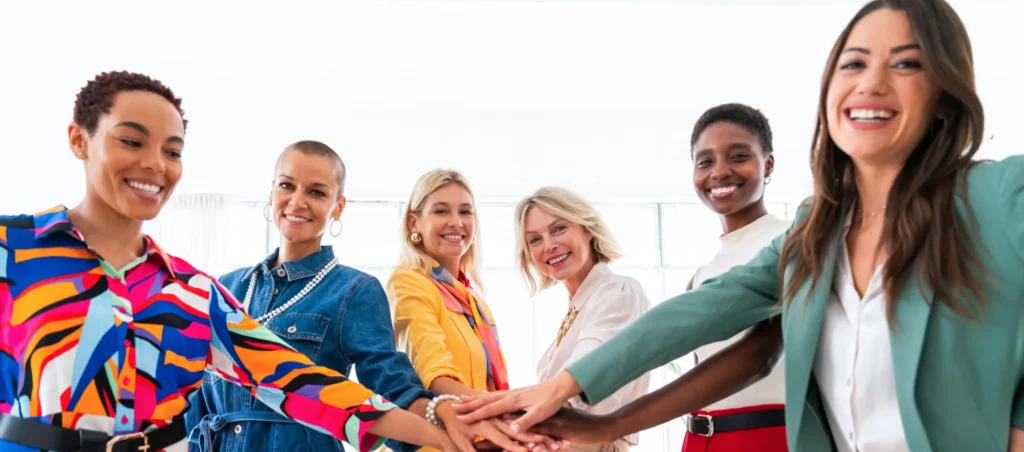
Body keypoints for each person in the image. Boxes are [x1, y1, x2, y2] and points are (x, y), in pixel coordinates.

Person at [454, 1, 1024, 450]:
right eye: (854, 63)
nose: (871, 82)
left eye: (905, 62)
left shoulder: (1001, 194)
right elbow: (706, 319)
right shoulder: (814, 232)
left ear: (946, 95)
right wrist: (573, 397)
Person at [0, 71, 460, 452]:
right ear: (79, 140)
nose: (156, 165)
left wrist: (446, 433)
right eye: (131, 141)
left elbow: (303, 383)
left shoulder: (194, 291)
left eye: (173, 151)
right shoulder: (12, 248)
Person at [184, 141, 454, 452]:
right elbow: (195, 400)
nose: (297, 201)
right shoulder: (225, 287)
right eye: (287, 185)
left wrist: (446, 421)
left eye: (316, 192)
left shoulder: (354, 290)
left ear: (338, 207)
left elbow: (390, 385)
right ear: (272, 192)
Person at [387, 169, 560, 452]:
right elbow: (435, 374)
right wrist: (508, 411)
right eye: (441, 211)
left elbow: (490, 387)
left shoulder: (475, 301)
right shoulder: (408, 283)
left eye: (465, 212)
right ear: (413, 222)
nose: (456, 222)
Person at [515, 186, 652, 452]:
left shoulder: (617, 292)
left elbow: (583, 378)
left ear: (587, 229)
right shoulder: (579, 306)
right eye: (535, 239)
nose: (549, 245)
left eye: (559, 229)